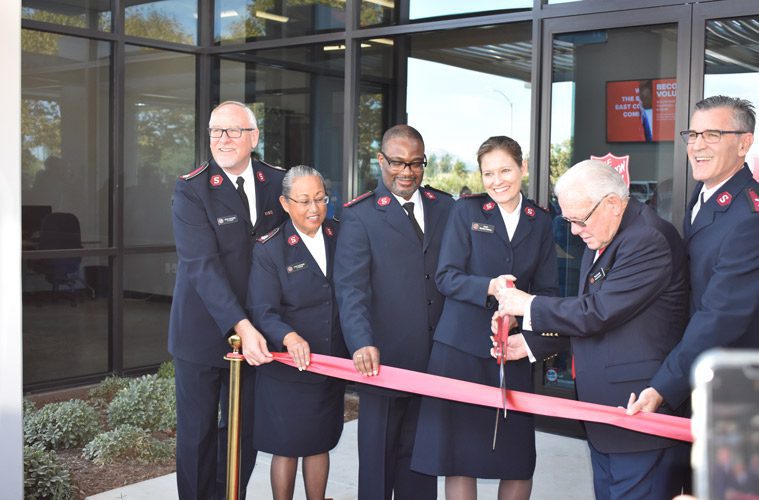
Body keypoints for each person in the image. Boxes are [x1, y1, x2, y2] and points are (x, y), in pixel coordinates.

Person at [494, 159, 691, 500]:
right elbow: (597, 316)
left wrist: (526, 304)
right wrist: (531, 345)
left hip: (639, 413)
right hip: (607, 416)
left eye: (578, 220)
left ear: (612, 204)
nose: (573, 230)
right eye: (567, 219)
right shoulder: (605, 234)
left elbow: (597, 312)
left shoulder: (648, 239)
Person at [410, 136, 559, 500]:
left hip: (512, 350)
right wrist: (490, 287)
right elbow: (446, 276)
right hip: (459, 349)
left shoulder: (540, 221)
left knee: (517, 458)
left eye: (505, 170)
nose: (497, 181)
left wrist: (529, 332)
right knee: (459, 457)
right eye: (488, 173)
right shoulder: (467, 212)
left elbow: (549, 292)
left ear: (523, 168)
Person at [169, 100, 287, 499]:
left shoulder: (278, 182)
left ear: (253, 137)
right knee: (198, 435)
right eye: (216, 131)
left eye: (233, 131)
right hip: (201, 332)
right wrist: (243, 325)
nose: (223, 139)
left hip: (259, 336)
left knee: (242, 435)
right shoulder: (192, 188)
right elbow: (202, 266)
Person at [334, 124, 454, 500]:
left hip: (436, 358)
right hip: (383, 360)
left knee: (423, 460)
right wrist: (361, 342)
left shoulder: (445, 207)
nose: (407, 172)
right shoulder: (361, 215)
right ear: (381, 161)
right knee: (378, 460)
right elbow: (351, 288)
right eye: (398, 163)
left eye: (416, 163)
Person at [627, 95, 759, 416]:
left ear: (744, 144)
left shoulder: (749, 217)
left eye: (713, 135)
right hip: (698, 368)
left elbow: (720, 317)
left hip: (729, 386)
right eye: (694, 135)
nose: (698, 145)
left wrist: (663, 385)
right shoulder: (705, 193)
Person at [248, 165, 347, 500]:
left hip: (330, 362)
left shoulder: (341, 234)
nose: (314, 208)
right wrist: (288, 336)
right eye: (304, 200)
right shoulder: (270, 249)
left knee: (319, 441)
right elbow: (263, 311)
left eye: (320, 199)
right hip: (289, 367)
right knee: (287, 446)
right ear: (285, 203)